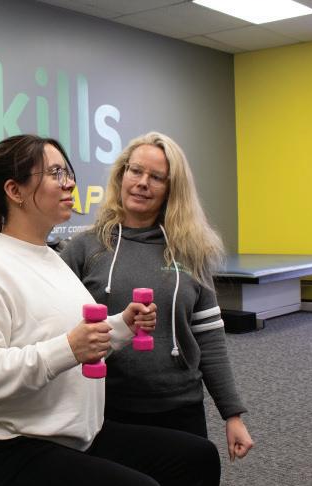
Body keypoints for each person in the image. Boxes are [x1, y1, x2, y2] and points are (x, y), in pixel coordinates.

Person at [0, 134, 221, 486]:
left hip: (74, 434)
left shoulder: (49, 258)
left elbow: (70, 334)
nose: (69, 183)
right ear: (14, 191)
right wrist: (69, 349)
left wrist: (122, 325)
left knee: (198, 457)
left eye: (67, 172)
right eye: (55, 173)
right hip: (9, 447)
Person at [59, 131, 254, 463]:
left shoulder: (191, 250)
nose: (142, 183)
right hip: (105, 408)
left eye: (156, 177)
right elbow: (55, 325)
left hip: (179, 407)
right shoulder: (85, 247)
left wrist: (232, 414)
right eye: (135, 171)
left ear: (171, 189)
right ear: (122, 175)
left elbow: (209, 338)